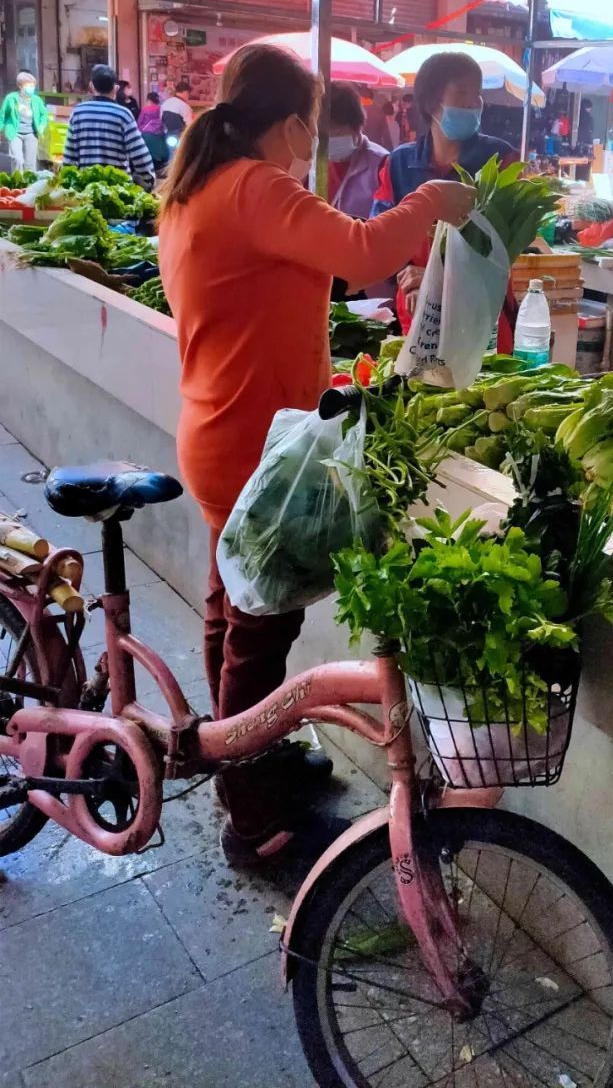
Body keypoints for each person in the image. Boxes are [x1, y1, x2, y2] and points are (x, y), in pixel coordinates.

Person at [157, 43, 474, 864]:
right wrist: (432, 200)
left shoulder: (199, 187)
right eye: (311, 121)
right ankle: (253, 818)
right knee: (257, 630)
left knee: (234, 608)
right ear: (292, 122)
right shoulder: (254, 186)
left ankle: (247, 758)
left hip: (221, 425)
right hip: (248, 441)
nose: (315, 139)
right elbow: (364, 250)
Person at [372, 50, 515, 337]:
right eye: (462, 92)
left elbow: (506, 248)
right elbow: (381, 237)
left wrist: (437, 278)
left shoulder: (500, 160)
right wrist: (409, 278)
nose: (474, 103)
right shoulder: (398, 164)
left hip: (481, 314)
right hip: (417, 311)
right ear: (431, 102)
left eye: (478, 93)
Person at [63, 64, 154, 189]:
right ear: (116, 88)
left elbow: (69, 156)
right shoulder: (123, 114)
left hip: (86, 191)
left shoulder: (78, 112)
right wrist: (147, 181)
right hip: (119, 191)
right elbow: (140, 154)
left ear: (91, 86)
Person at [327, 81, 388, 220]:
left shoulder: (381, 164)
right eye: (323, 135)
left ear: (356, 128)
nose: (328, 140)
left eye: (335, 132)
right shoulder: (310, 163)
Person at [0, 71, 49, 172]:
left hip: (31, 134)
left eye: (33, 85)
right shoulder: (11, 98)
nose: (31, 88)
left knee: (30, 163)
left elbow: (44, 115)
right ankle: (18, 180)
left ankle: (29, 181)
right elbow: (2, 116)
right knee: (17, 160)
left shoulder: (37, 100)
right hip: (15, 133)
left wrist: (41, 126)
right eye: (29, 85)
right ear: (20, 86)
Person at [136, 90, 170, 171]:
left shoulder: (145, 109)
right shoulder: (160, 109)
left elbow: (140, 122)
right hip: (159, 134)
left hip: (146, 134)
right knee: (159, 151)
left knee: (148, 153)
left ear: (148, 100)